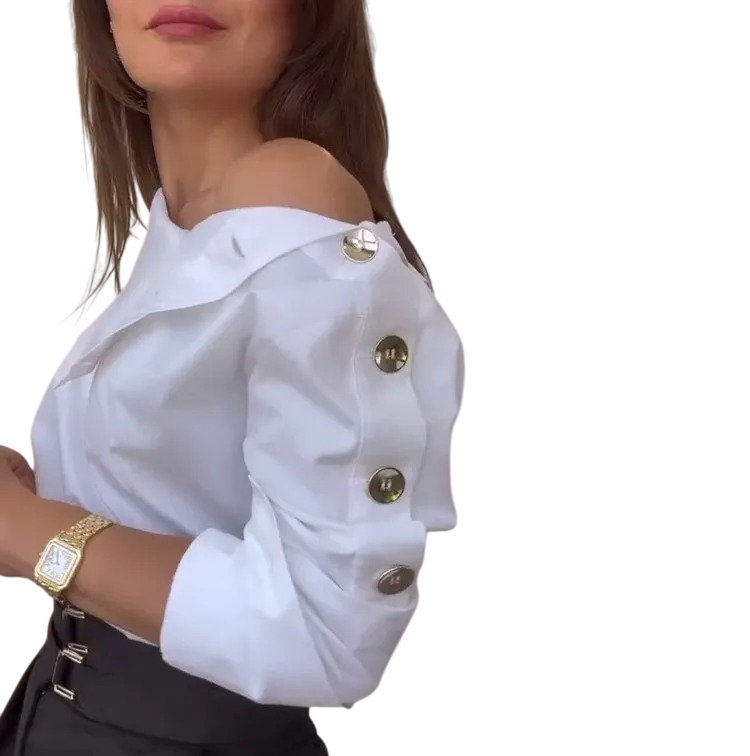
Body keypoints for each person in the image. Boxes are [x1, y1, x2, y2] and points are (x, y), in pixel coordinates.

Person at [0, 1, 464, 754]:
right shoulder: (194, 220)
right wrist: (41, 505)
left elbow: (323, 634)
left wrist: (26, 531)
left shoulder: (293, 202)